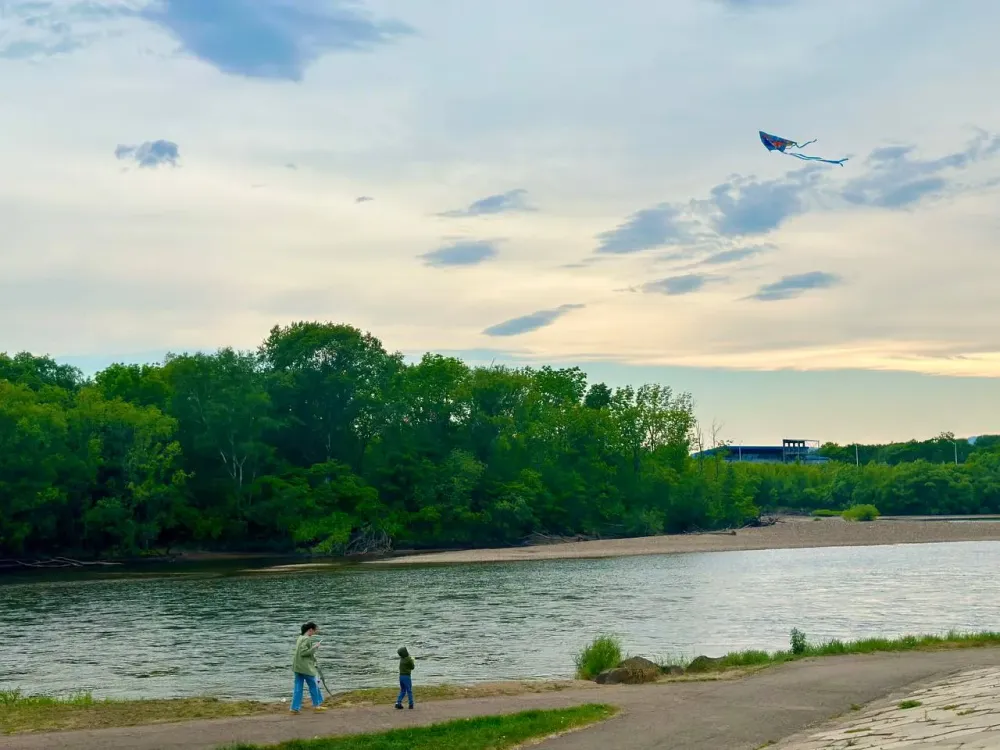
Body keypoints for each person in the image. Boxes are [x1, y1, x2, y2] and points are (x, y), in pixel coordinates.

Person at [290, 622, 327, 713]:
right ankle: (317, 705)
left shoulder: (300, 638)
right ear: (310, 630)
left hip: (297, 666)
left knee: (298, 688)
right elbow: (304, 653)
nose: (314, 633)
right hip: (305, 668)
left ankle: (294, 708)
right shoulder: (307, 639)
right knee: (314, 685)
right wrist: (315, 647)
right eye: (314, 631)